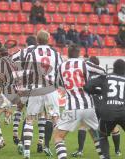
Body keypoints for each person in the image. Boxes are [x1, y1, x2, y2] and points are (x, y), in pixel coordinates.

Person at [53, 44, 106, 159]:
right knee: (96, 137)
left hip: (72, 107)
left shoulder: (61, 66)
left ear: (68, 53)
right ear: (79, 53)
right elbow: (103, 71)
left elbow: (56, 83)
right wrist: (92, 85)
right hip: (89, 107)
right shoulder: (85, 63)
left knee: (58, 137)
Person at [21, 30, 62, 159]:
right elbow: (60, 71)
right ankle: (60, 151)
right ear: (49, 39)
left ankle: (27, 151)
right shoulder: (56, 53)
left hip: (36, 88)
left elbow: (26, 72)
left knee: (30, 119)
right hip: (51, 90)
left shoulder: (31, 53)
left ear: (37, 40)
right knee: (55, 118)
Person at [84, 59, 125, 159]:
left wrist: (98, 92)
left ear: (113, 68)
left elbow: (87, 87)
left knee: (102, 135)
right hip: (123, 112)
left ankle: (106, 157)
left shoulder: (105, 77)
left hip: (107, 113)